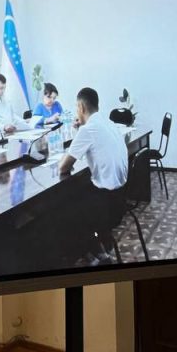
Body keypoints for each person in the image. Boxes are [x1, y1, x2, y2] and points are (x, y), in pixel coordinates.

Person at [57, 87, 129, 263]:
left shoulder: (88, 130)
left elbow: (63, 167)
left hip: (106, 204)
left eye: (77, 108)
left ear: (81, 107)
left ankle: (93, 253)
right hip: (120, 197)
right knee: (78, 194)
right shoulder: (108, 123)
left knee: (63, 208)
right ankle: (99, 247)